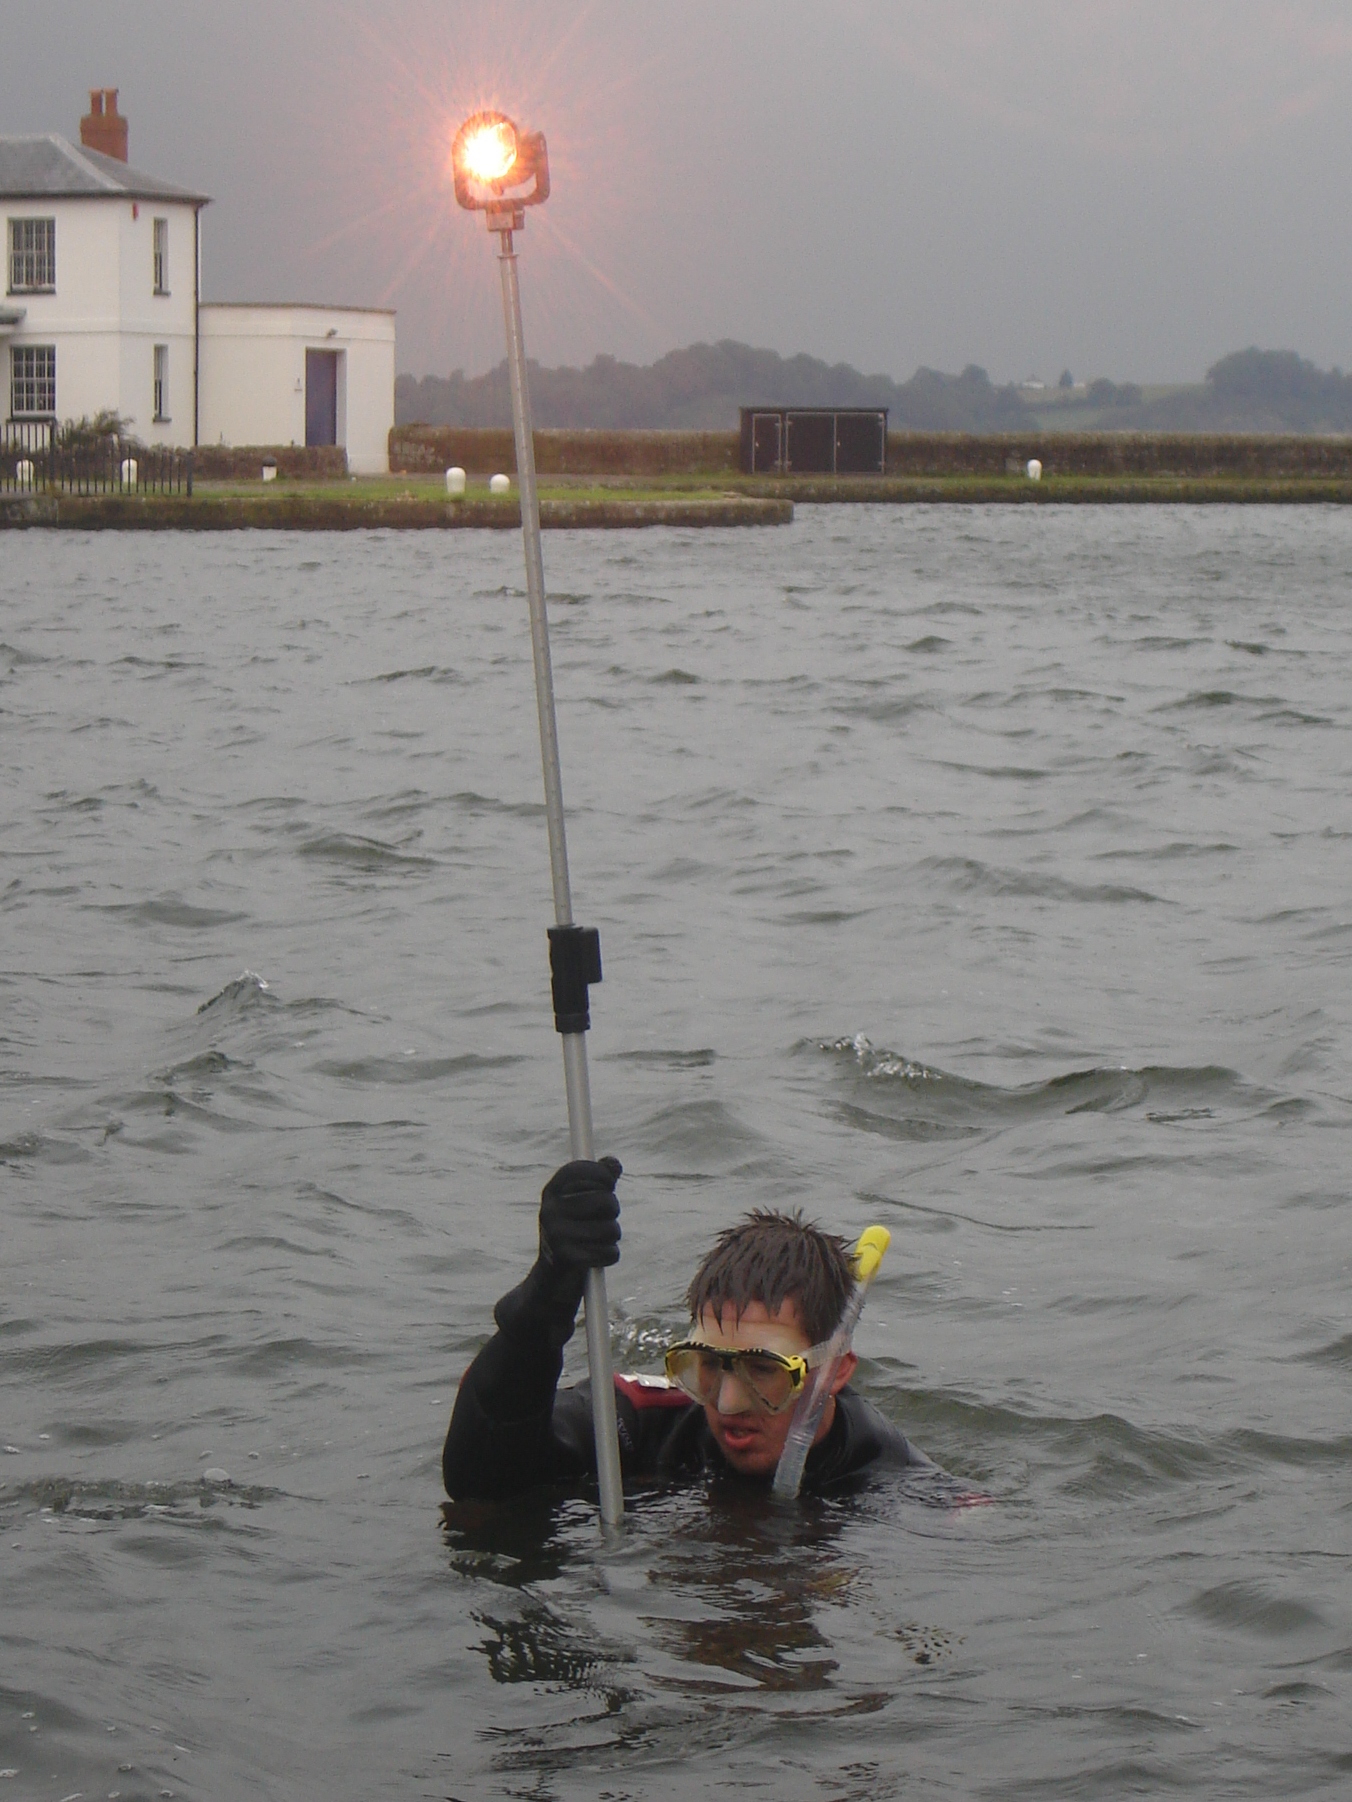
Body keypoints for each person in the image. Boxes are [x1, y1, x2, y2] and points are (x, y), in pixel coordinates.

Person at [442, 1156, 933, 1502]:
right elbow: (482, 1479)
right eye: (710, 1365)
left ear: (835, 1371)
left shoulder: (882, 1469)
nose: (727, 1404)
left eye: (764, 1369)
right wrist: (542, 1306)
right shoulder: (649, 1421)